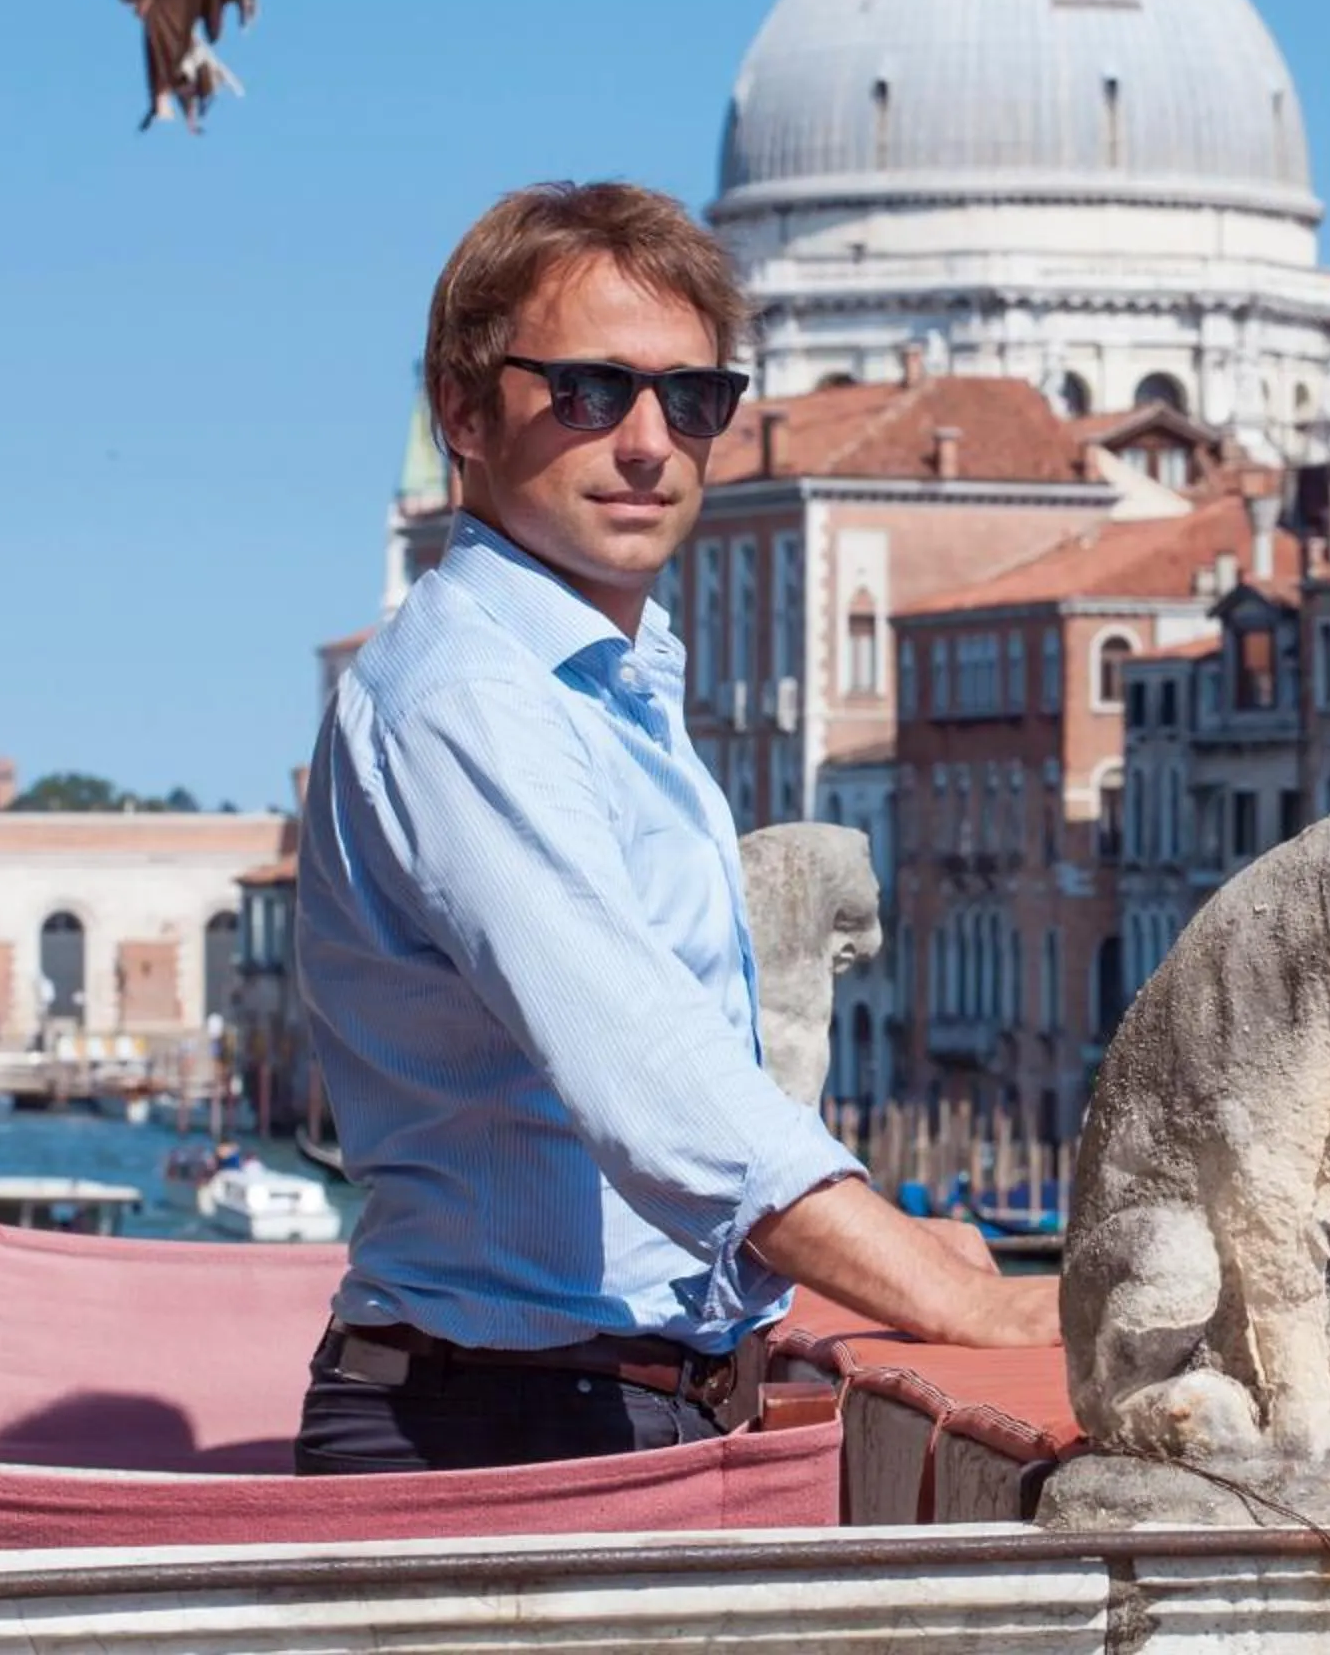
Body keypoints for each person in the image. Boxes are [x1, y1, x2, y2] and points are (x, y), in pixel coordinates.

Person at [292, 183, 1057, 1475]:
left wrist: (911, 1250)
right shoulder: (474, 699)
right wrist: (959, 1301)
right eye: (591, 392)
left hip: (597, 1406)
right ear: (463, 412)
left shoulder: (610, 687)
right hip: (493, 1429)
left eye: (692, 400)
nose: (650, 441)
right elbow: (657, 1085)